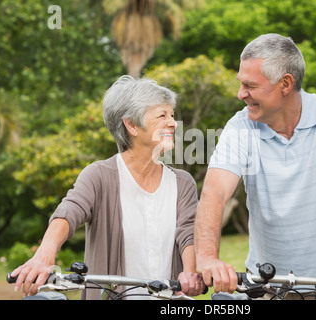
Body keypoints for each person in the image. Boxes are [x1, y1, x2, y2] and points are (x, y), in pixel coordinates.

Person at [194, 34, 316, 298]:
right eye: (241, 84)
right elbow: (214, 194)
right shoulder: (240, 126)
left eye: (250, 85)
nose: (240, 94)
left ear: (285, 83)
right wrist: (206, 258)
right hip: (266, 287)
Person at [11, 75, 205, 299]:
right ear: (131, 124)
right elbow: (69, 212)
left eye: (172, 115)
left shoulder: (182, 182)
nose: (172, 122)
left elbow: (188, 233)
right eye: (162, 115)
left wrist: (189, 273)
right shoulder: (99, 176)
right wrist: (44, 254)